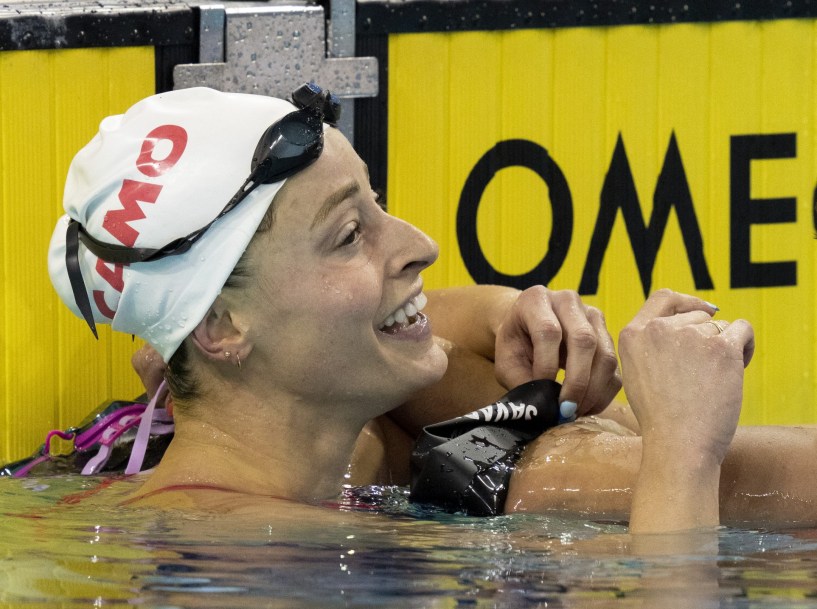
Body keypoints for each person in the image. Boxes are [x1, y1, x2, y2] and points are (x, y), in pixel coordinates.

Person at [45, 84, 777, 533]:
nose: (421, 244)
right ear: (220, 327)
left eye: (380, 204)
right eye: (350, 233)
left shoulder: (328, 492)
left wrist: (496, 315)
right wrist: (685, 451)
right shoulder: (258, 554)